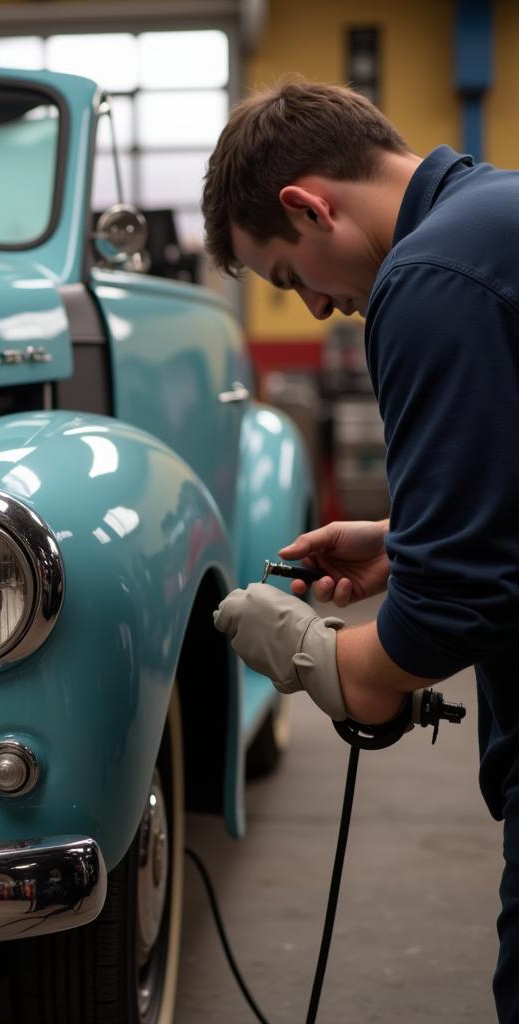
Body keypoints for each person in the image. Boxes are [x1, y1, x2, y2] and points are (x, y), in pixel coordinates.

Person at [203, 78, 519, 1022]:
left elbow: (454, 609)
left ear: (309, 205)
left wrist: (320, 656)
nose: (313, 308)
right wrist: (406, 537)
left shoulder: (430, 280)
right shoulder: (497, 214)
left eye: (290, 276)